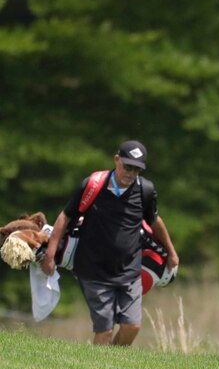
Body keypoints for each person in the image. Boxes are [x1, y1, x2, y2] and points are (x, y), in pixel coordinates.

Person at [41, 140, 180, 346]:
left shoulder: (146, 191)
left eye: (137, 170)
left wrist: (171, 251)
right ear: (117, 160)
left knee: (132, 327)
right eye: (128, 167)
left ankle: (111, 367)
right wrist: (50, 255)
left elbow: (155, 221)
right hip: (94, 270)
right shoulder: (93, 185)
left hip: (129, 271)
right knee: (105, 331)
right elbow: (65, 217)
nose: (131, 173)